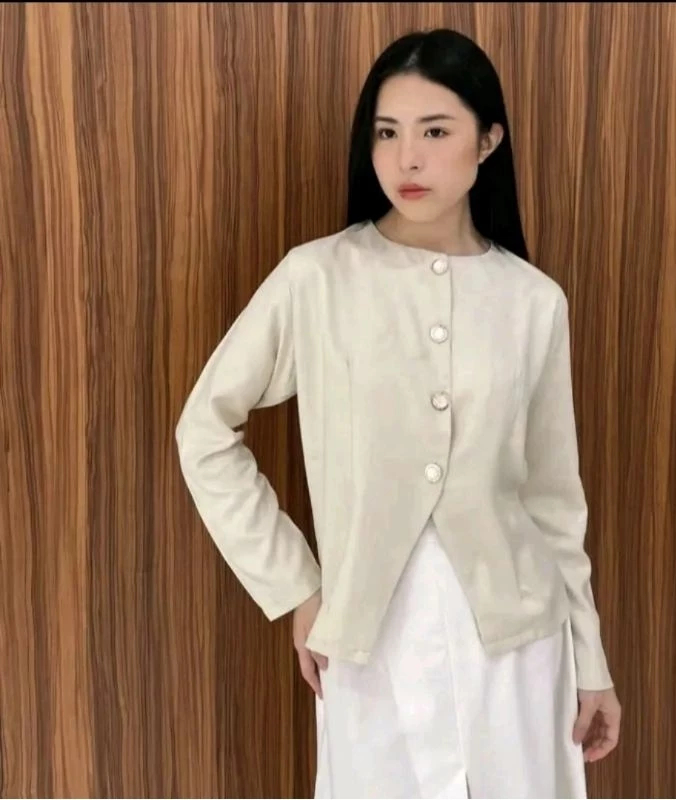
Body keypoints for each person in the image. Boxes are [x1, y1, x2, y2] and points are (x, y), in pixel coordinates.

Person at [176, 27, 621, 799]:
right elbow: (204, 432)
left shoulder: (533, 302)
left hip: (519, 648)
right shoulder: (317, 279)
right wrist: (298, 589)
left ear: (488, 141)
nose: (406, 158)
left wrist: (591, 662)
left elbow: (554, 500)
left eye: (434, 131)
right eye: (387, 133)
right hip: (370, 640)